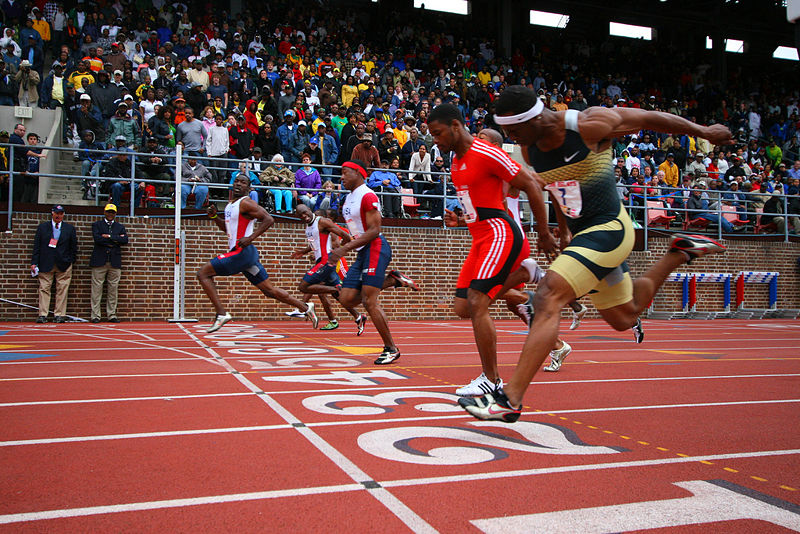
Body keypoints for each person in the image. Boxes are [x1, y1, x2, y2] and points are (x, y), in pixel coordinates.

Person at [459, 86, 729, 422]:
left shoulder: (588, 124)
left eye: (514, 131)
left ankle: (509, 398)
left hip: (611, 227)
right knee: (624, 317)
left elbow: (647, 118)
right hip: (584, 236)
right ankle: (678, 253)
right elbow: (560, 189)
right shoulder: (530, 150)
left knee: (547, 296)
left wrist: (702, 131)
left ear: (533, 118)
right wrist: (561, 228)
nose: (512, 138)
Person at [426, 104, 557, 397]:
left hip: (499, 232)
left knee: (477, 301)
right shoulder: (456, 162)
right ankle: (527, 272)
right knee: (463, 308)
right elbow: (477, 202)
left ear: (456, 126)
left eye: (438, 133)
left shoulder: (487, 152)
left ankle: (491, 379)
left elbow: (532, 186)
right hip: (479, 236)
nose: (435, 140)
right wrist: (461, 219)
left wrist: (545, 233)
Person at [199, 174, 319, 333]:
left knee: (203, 273)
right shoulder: (230, 205)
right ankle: (304, 307)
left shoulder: (246, 203)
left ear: (249, 188)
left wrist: (251, 237)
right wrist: (214, 217)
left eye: (243, 183)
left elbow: (268, 219)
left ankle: (221, 314)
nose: (238, 184)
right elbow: (227, 230)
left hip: (242, 252)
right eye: (236, 181)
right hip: (245, 256)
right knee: (269, 290)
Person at [327, 159, 418, 364]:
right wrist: (347, 242)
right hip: (362, 250)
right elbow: (356, 230)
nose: (341, 177)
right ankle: (392, 280)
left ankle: (391, 348)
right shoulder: (349, 198)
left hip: (376, 247)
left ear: (359, 173)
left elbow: (375, 230)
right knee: (347, 299)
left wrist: (344, 248)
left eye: (345, 172)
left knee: (369, 300)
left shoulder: (367, 195)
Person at [291, 204, 365, 332]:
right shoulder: (309, 227)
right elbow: (316, 244)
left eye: (305, 212)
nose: (304, 216)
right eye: (300, 215)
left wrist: (340, 251)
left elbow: (346, 236)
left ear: (309, 210)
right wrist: (303, 251)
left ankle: (305, 308)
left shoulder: (323, 222)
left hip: (327, 261)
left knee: (303, 286)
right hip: (322, 260)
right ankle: (358, 316)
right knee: (338, 296)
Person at [31, 205, 78, 323]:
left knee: (62, 289)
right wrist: (34, 262)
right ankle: (43, 314)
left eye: (61, 213)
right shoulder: (42, 228)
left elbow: (74, 247)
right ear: (52, 213)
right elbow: (37, 246)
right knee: (44, 288)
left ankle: (59, 314)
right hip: (45, 262)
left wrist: (70, 260)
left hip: (64, 263)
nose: (58, 215)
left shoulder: (69, 229)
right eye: (57, 213)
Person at [89, 203, 128, 323]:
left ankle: (111, 314)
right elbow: (98, 239)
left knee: (113, 289)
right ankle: (95, 315)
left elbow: (124, 240)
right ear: (104, 212)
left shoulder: (120, 226)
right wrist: (115, 239)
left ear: (115, 214)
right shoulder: (97, 225)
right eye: (108, 212)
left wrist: (109, 236)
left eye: (113, 212)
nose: (110, 214)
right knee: (96, 289)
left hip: (114, 261)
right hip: (99, 260)